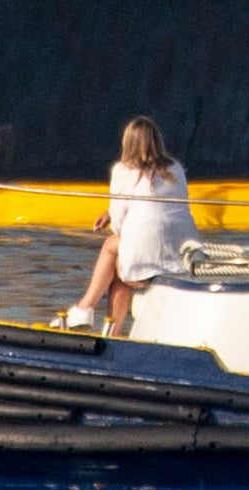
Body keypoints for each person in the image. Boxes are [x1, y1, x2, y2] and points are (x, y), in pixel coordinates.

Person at [63, 116, 193, 334]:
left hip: (151, 259)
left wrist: (114, 216)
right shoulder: (176, 168)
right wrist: (111, 214)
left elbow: (120, 227)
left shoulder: (123, 171)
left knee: (111, 247)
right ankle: (102, 324)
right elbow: (158, 203)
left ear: (127, 143)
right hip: (183, 255)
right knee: (121, 262)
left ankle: (86, 309)